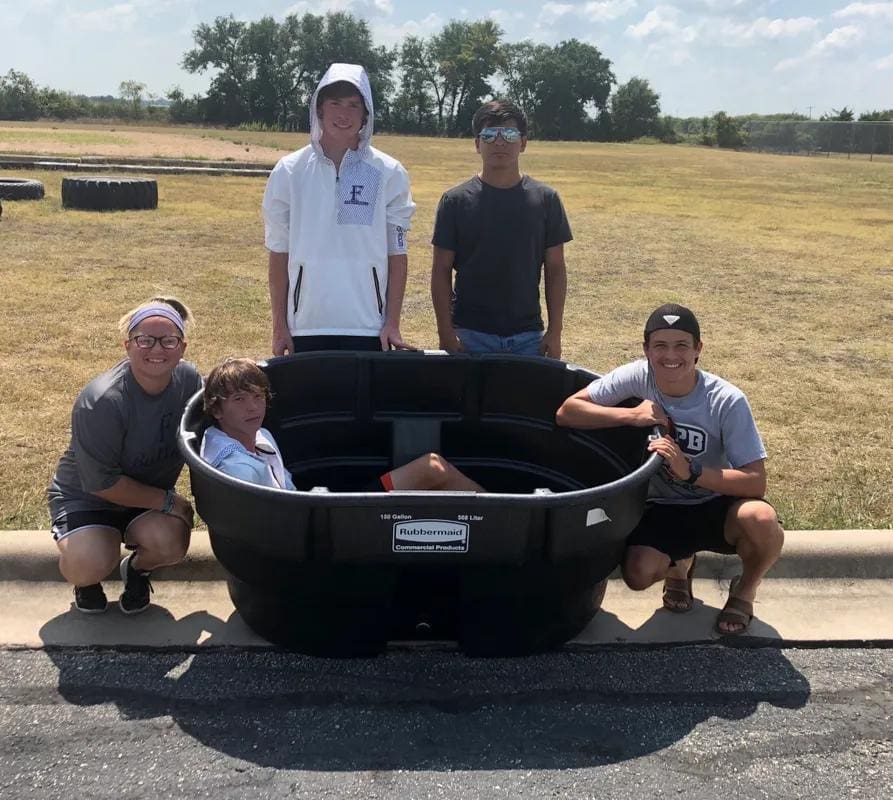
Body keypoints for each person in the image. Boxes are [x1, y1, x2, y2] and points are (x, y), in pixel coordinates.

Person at [555, 303, 784, 635]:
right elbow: (567, 412)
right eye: (660, 346)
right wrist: (631, 416)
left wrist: (690, 470)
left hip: (713, 502)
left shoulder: (726, 400)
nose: (670, 355)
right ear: (646, 349)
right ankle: (679, 566)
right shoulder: (637, 375)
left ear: (698, 350)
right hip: (660, 506)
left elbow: (755, 481)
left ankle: (745, 590)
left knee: (761, 521)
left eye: (682, 345)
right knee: (637, 574)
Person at [47, 297, 201, 615]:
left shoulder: (189, 381)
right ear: (127, 345)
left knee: (171, 543)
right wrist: (173, 503)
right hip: (88, 496)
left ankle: (137, 569)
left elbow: (211, 428)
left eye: (168, 340)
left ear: (182, 346)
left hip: (142, 500)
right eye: (145, 339)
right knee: (88, 562)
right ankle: (86, 582)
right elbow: (102, 482)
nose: (157, 349)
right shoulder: (102, 400)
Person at [263, 63, 416, 356]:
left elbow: (397, 253)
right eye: (334, 103)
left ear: (365, 115)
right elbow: (278, 251)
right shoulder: (290, 171)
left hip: (368, 327)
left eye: (353, 105)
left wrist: (392, 322)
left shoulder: (388, 172)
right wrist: (280, 325)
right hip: (305, 326)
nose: (343, 114)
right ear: (319, 109)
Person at [201, 358, 482, 492]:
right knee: (432, 469)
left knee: (433, 470)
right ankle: (501, 514)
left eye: (258, 396)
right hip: (329, 524)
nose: (252, 407)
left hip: (319, 508)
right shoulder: (238, 470)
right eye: (239, 399)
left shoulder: (260, 435)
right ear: (216, 408)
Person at [431, 99, 572, 358]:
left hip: (528, 336)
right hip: (469, 335)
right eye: (489, 135)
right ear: (477, 144)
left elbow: (555, 269)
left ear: (524, 142)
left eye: (508, 134)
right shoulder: (455, 201)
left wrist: (555, 331)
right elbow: (440, 271)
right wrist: (445, 332)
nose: (499, 142)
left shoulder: (546, 200)